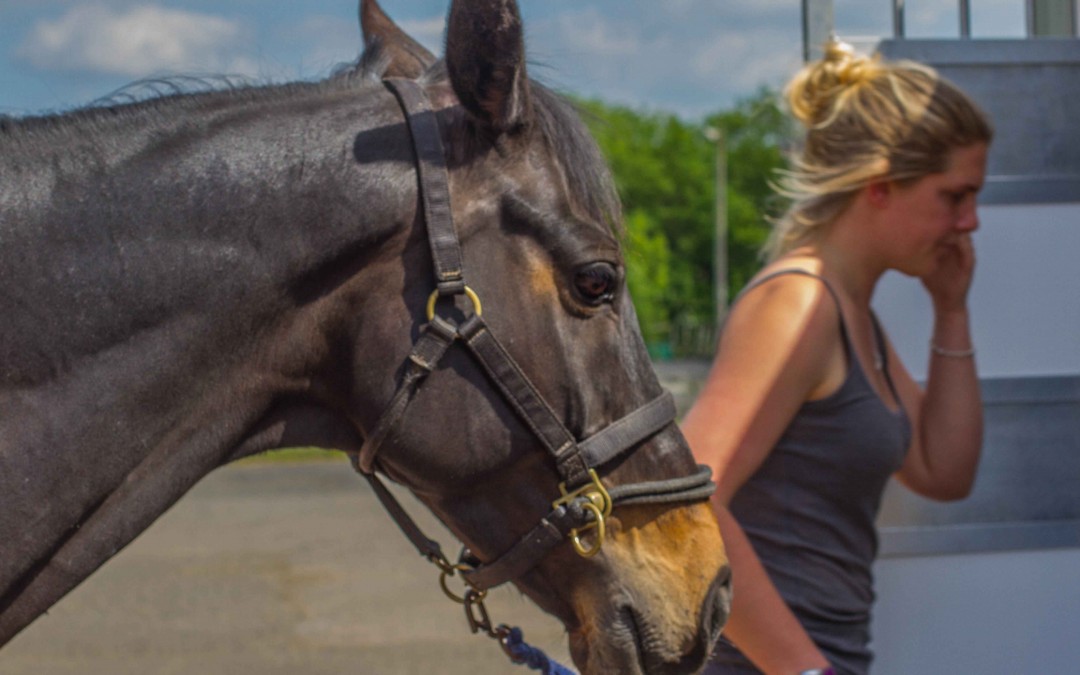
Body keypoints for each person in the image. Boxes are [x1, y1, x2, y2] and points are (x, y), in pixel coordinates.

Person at [684, 40, 992, 675]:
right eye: (954, 197)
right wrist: (805, 670)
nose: (970, 223)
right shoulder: (798, 305)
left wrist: (952, 309)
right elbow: (688, 502)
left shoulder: (853, 317)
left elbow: (944, 471)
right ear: (880, 188)